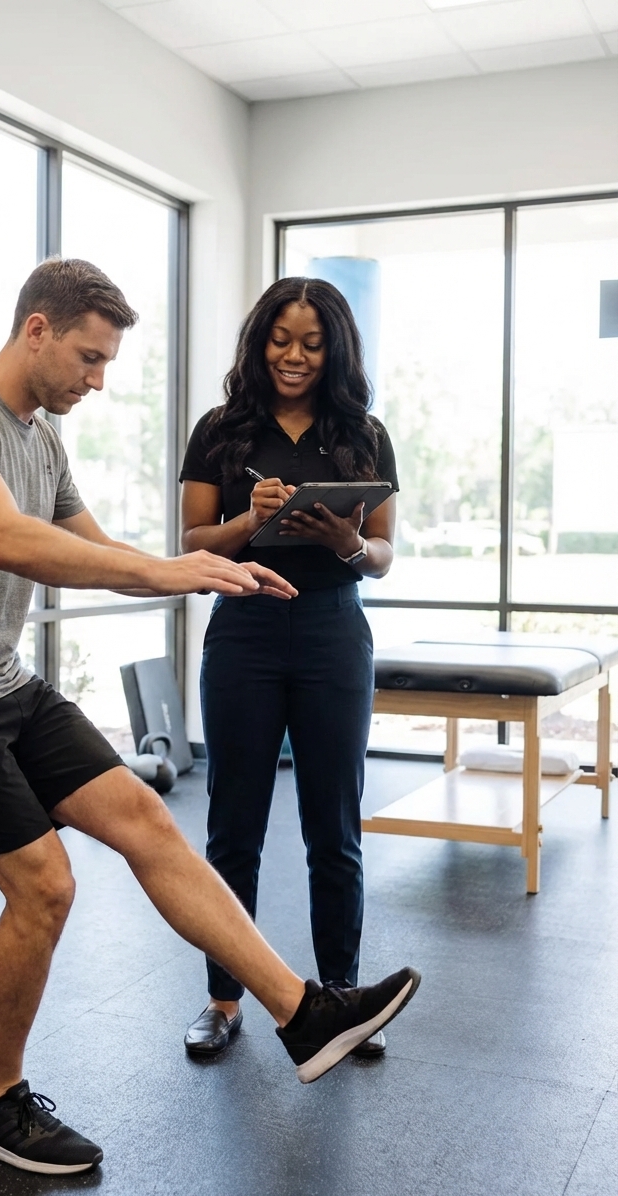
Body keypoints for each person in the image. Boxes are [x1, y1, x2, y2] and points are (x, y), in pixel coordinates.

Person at [0, 259, 419, 1178]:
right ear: (37, 330)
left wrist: (207, 566)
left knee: (150, 822)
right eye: (88, 357)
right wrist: (173, 568)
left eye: (107, 362)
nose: (97, 380)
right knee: (45, 885)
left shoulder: (40, 440)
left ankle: (304, 1014)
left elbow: (97, 547)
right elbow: (7, 540)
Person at [180, 276, 399, 1060]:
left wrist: (344, 540)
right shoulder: (220, 430)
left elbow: (380, 554)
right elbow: (194, 544)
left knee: (333, 830)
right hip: (244, 632)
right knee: (233, 830)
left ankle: (340, 997)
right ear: (258, 341)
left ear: (334, 348)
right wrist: (253, 519)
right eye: (281, 340)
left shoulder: (364, 434)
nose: (295, 356)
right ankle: (223, 999)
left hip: (333, 636)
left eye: (311, 343)